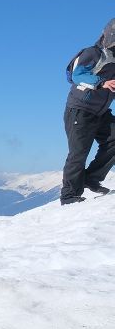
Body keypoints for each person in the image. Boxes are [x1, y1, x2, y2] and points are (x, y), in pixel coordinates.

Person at [60, 18, 115, 204]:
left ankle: (91, 179)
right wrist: (101, 82)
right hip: (80, 110)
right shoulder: (92, 53)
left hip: (101, 112)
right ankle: (69, 195)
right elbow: (77, 74)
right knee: (78, 152)